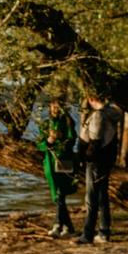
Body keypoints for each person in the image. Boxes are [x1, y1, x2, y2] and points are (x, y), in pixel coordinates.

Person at [77, 94, 122, 244]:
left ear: (91, 99)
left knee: (91, 199)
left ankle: (87, 234)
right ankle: (103, 231)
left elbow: (95, 140)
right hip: (105, 160)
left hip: (96, 161)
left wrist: (85, 158)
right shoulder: (110, 114)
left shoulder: (98, 116)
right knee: (102, 196)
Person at [40, 97, 79, 237]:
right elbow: (39, 144)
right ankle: (68, 228)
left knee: (60, 193)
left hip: (64, 160)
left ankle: (57, 225)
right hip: (50, 161)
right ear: (50, 108)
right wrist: (48, 141)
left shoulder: (68, 123)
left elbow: (72, 140)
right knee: (56, 194)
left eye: (58, 108)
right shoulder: (45, 124)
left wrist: (61, 138)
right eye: (53, 107)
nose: (56, 110)